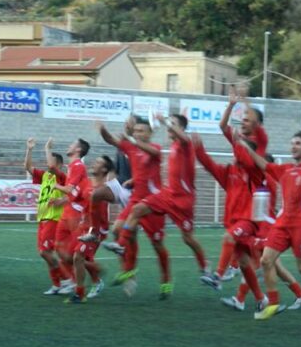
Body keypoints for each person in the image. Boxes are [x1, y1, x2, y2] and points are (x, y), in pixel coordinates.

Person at [238, 121, 301, 326]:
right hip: (282, 222)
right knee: (265, 260)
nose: (293, 146)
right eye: (292, 143)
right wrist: (245, 146)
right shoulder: (285, 169)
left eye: (298, 143)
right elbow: (263, 164)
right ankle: (273, 302)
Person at [119, 113, 212, 297]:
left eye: (174, 125)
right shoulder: (174, 146)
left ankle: (205, 268)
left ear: (181, 128)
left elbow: (184, 137)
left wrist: (165, 121)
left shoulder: (185, 144)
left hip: (183, 201)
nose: (169, 128)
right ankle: (121, 245)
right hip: (167, 195)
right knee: (137, 210)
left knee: (187, 238)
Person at [96, 117, 171, 299]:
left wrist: (131, 139)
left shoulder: (155, 149)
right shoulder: (131, 147)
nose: (138, 134)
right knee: (117, 230)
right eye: (136, 131)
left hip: (153, 203)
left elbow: (150, 151)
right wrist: (103, 130)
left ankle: (166, 281)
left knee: (157, 244)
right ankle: (128, 271)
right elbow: (111, 140)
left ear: (150, 133)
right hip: (136, 199)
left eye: (141, 131)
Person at [193, 135, 266, 312]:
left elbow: (245, 158)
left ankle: (217, 276)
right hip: (233, 222)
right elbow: (209, 166)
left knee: (229, 237)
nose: (237, 152)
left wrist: (237, 141)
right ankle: (261, 299)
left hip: (248, 222)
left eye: (242, 149)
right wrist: (198, 149)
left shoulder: (254, 172)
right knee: (243, 263)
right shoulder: (229, 171)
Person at [214, 87, 269, 281]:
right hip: (242, 189)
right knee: (240, 237)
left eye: (248, 119)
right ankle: (244, 266)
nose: (244, 121)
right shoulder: (240, 139)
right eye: (243, 119)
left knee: (248, 235)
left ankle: (245, 265)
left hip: (256, 192)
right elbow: (222, 126)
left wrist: (246, 100)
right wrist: (231, 105)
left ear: (258, 124)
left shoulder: (260, 140)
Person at [66, 155, 114, 304]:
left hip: (95, 231)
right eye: (95, 160)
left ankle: (80, 293)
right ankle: (96, 271)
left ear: (104, 169)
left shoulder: (104, 190)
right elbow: (74, 198)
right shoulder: (86, 183)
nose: (94, 163)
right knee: (70, 257)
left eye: (99, 162)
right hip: (83, 226)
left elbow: (102, 215)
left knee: (78, 256)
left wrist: (97, 234)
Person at [24, 137, 67, 295]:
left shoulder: (61, 177)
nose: (48, 164)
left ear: (59, 165)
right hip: (42, 218)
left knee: (45, 252)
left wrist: (62, 200)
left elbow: (73, 194)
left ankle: (66, 279)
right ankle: (57, 284)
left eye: (51, 161)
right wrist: (29, 149)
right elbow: (28, 167)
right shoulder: (45, 176)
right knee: (45, 253)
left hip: (53, 219)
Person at [51, 137, 91, 295]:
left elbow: (69, 189)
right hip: (67, 211)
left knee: (76, 253)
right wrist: (62, 200)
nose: (69, 145)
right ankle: (71, 280)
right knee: (59, 248)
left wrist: (55, 186)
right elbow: (74, 192)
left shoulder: (78, 166)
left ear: (78, 150)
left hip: (75, 214)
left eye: (72, 144)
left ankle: (88, 279)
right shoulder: (72, 166)